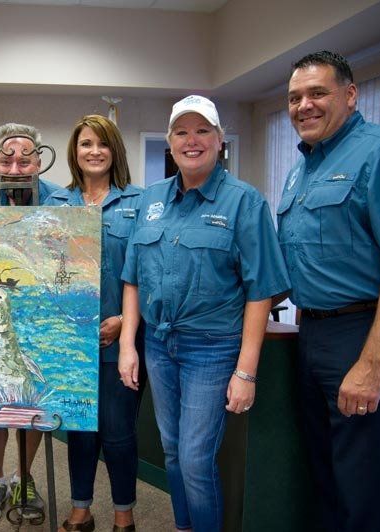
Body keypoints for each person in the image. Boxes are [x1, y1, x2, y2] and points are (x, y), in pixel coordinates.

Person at [276, 51, 380, 532]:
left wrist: (371, 365)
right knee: (325, 479)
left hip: (370, 333)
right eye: (294, 98)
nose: (303, 105)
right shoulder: (301, 170)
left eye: (317, 93)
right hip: (314, 333)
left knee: (363, 488)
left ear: (350, 96)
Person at [118, 95, 290, 532]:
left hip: (211, 349)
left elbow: (261, 292)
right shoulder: (151, 198)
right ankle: (184, 525)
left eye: (202, 131)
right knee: (172, 450)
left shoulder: (244, 202)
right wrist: (127, 347)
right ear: (170, 143)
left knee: (195, 459)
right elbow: (133, 278)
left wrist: (246, 372)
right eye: (181, 132)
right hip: (158, 344)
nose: (191, 140)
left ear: (219, 140)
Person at [44, 115, 145, 532]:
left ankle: (125, 512)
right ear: (75, 151)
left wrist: (124, 321)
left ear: (115, 150)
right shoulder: (55, 205)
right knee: (80, 431)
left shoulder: (140, 203)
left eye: (102, 144)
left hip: (123, 339)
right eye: (86, 143)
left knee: (119, 431)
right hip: (72, 342)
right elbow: (46, 272)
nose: (94, 151)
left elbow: (148, 272)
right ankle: (81, 507)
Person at [0, 123, 60, 524]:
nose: (16, 166)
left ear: (39, 161)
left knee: (28, 390)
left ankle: (25, 477)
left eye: (26, 158)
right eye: (7, 158)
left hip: (36, 302)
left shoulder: (59, 197)